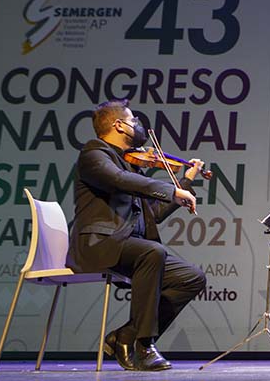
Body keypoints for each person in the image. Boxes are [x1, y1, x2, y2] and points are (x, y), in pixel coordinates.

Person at [68, 99, 206, 371]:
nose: (139, 127)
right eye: (134, 121)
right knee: (151, 251)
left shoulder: (131, 165)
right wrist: (171, 191)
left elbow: (151, 214)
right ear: (119, 125)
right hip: (98, 244)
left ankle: (126, 336)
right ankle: (144, 346)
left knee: (192, 277)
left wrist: (185, 181)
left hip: (128, 247)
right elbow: (118, 180)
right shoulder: (94, 154)